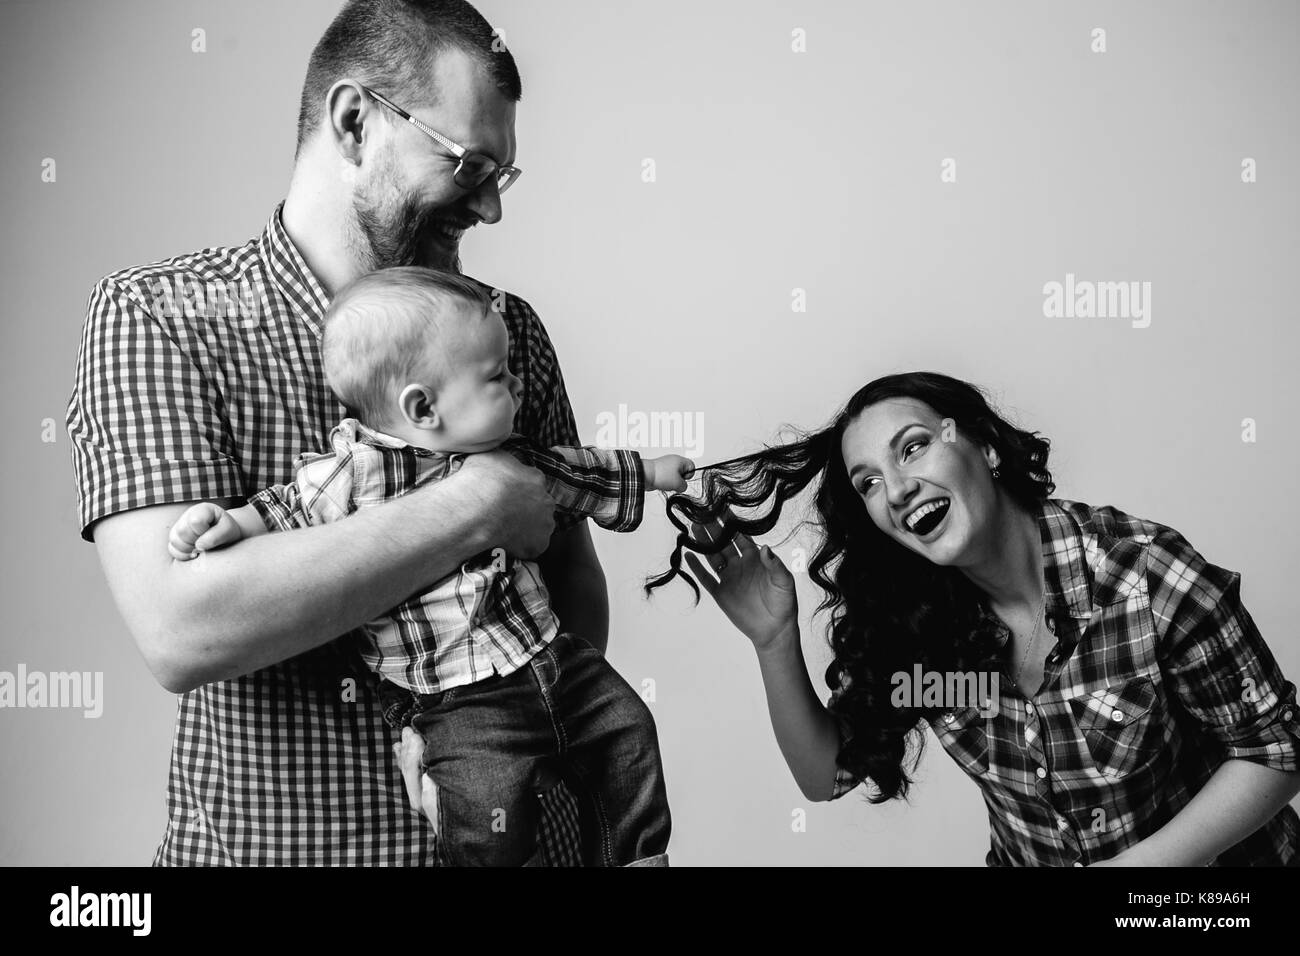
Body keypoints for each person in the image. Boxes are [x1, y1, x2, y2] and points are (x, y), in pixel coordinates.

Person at [66, 0, 610, 865]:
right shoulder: (159, 317)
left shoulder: (509, 331)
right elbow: (186, 627)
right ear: (356, 121)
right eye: (468, 164)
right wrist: (475, 508)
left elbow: (572, 591)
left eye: (500, 176)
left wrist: (511, 741)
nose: (490, 212)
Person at [649, 371, 1300, 866]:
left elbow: (1274, 752)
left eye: (913, 449)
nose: (897, 490)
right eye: (868, 482)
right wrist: (772, 638)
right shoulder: (929, 635)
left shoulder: (1144, 580)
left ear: (984, 446)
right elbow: (827, 776)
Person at [166, 268, 684, 866]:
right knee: (490, 809)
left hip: (550, 660)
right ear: (423, 406)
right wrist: (229, 524)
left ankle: (636, 857)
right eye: (496, 376)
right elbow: (284, 509)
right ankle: (455, 821)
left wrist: (647, 472)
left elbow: (577, 471)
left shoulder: (511, 458)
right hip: (459, 700)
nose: (516, 385)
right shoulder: (353, 473)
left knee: (629, 728)